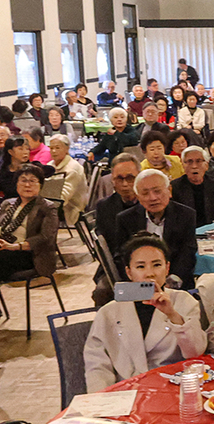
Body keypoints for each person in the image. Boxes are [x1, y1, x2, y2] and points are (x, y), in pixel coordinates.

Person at [82, 235, 205, 391]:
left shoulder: (184, 301)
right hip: (126, 392)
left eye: (156, 265)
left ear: (167, 268)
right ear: (129, 272)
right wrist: (103, 400)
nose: (149, 274)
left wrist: (172, 314)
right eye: (140, 267)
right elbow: (97, 365)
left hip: (173, 388)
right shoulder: (109, 311)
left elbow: (195, 353)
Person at [108, 169, 198, 294]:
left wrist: (172, 279)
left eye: (157, 191)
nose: (153, 198)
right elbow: (120, 255)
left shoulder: (186, 215)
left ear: (169, 191)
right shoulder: (125, 219)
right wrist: (136, 280)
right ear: (138, 196)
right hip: (138, 280)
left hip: (174, 279)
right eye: (145, 193)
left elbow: (187, 252)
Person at [0, 163, 64, 284]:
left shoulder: (47, 207)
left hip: (30, 255)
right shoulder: (7, 203)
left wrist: (14, 246)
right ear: (16, 184)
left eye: (33, 181)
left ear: (40, 185)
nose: (27, 185)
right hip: (0, 249)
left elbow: (45, 238)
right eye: (23, 180)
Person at [171, 145, 214, 227]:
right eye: (189, 161)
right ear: (183, 165)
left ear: (206, 165)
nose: (194, 166)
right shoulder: (174, 188)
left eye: (198, 161)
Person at [92, 154, 141, 252]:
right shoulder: (104, 207)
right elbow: (108, 247)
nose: (125, 184)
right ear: (112, 180)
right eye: (119, 179)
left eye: (130, 178)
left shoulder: (150, 203)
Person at [45, 134, 89, 225]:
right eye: (51, 148)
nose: (54, 151)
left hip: (69, 207)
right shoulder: (49, 165)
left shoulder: (73, 168)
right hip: (52, 202)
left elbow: (64, 197)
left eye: (57, 148)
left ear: (67, 149)